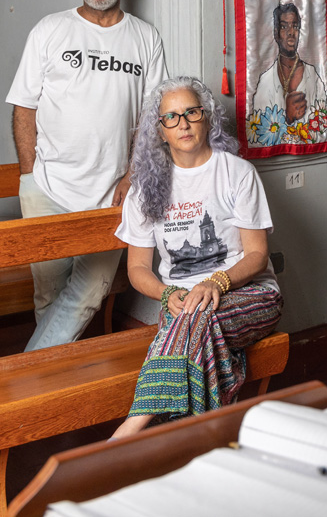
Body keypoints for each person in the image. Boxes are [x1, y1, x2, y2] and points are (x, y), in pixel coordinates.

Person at [7, 0, 169, 352]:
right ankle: (51, 382)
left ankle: (27, 375)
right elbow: (24, 107)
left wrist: (133, 174)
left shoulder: (144, 37)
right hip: (47, 187)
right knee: (48, 292)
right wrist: (29, 178)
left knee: (90, 292)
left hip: (109, 193)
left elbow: (153, 117)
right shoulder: (50, 29)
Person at [111, 77, 282, 438]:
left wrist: (215, 281)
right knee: (198, 320)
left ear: (207, 118)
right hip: (181, 306)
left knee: (201, 318)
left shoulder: (236, 173)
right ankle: (204, 439)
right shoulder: (145, 187)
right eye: (171, 117)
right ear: (159, 131)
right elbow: (138, 269)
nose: (183, 123)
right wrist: (165, 293)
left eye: (191, 112)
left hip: (250, 295)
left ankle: (131, 430)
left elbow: (257, 255)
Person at [250, 2, 327, 124]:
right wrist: (288, 118)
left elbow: (324, 119)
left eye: (295, 26)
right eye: (284, 27)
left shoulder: (312, 75)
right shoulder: (266, 81)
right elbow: (259, 130)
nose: (291, 32)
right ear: (276, 34)